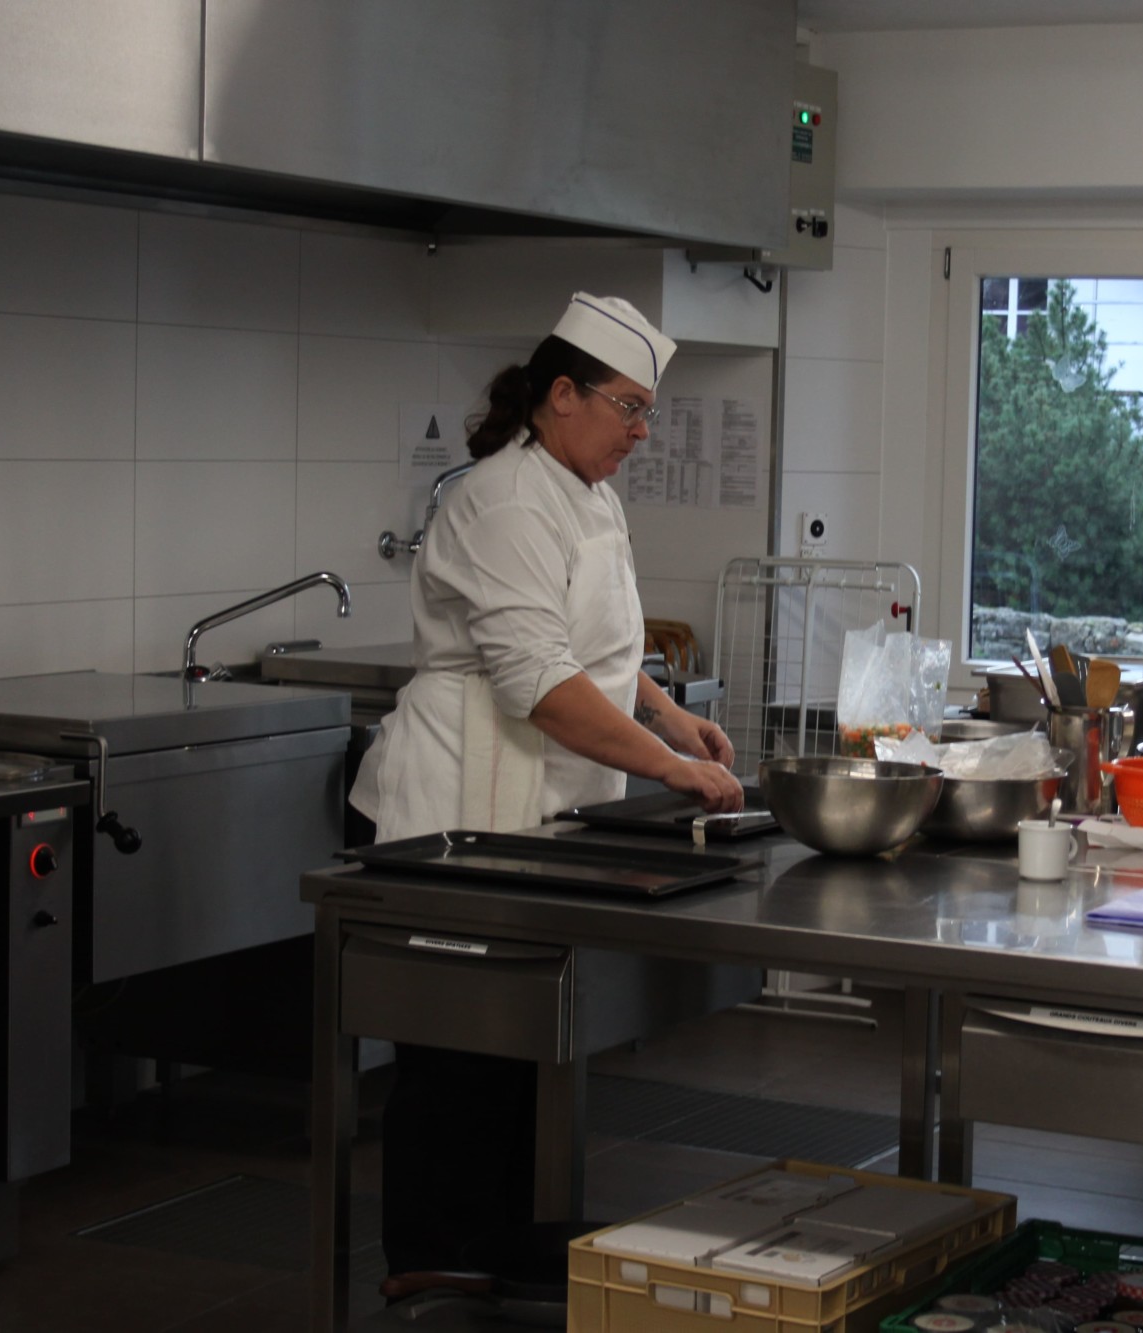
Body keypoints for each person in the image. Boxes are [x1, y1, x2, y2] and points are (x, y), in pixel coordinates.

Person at [349, 292, 744, 1280]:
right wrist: (668, 766)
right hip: (456, 815)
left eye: (646, 412)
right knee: (458, 1061)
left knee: (519, 1056)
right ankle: (430, 1273)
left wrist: (667, 714)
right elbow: (539, 683)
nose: (640, 433)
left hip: (533, 813)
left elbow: (591, 647)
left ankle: (500, 1262)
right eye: (627, 408)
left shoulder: (585, 491)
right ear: (561, 394)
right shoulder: (508, 500)